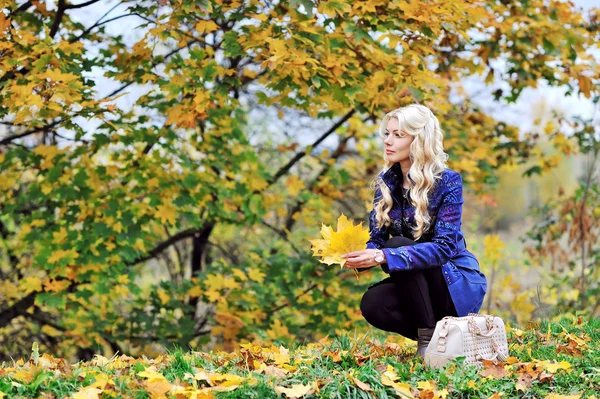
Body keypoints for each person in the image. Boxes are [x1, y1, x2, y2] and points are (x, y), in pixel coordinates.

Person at [341, 104, 487, 358]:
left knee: (396, 244)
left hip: (451, 283)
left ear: (419, 140)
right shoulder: (386, 184)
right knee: (373, 304)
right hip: (416, 291)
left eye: (398, 135)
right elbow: (376, 240)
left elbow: (444, 248)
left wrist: (384, 256)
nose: (388, 141)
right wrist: (360, 257)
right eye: (387, 133)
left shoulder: (447, 182)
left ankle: (427, 343)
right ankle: (443, 342)